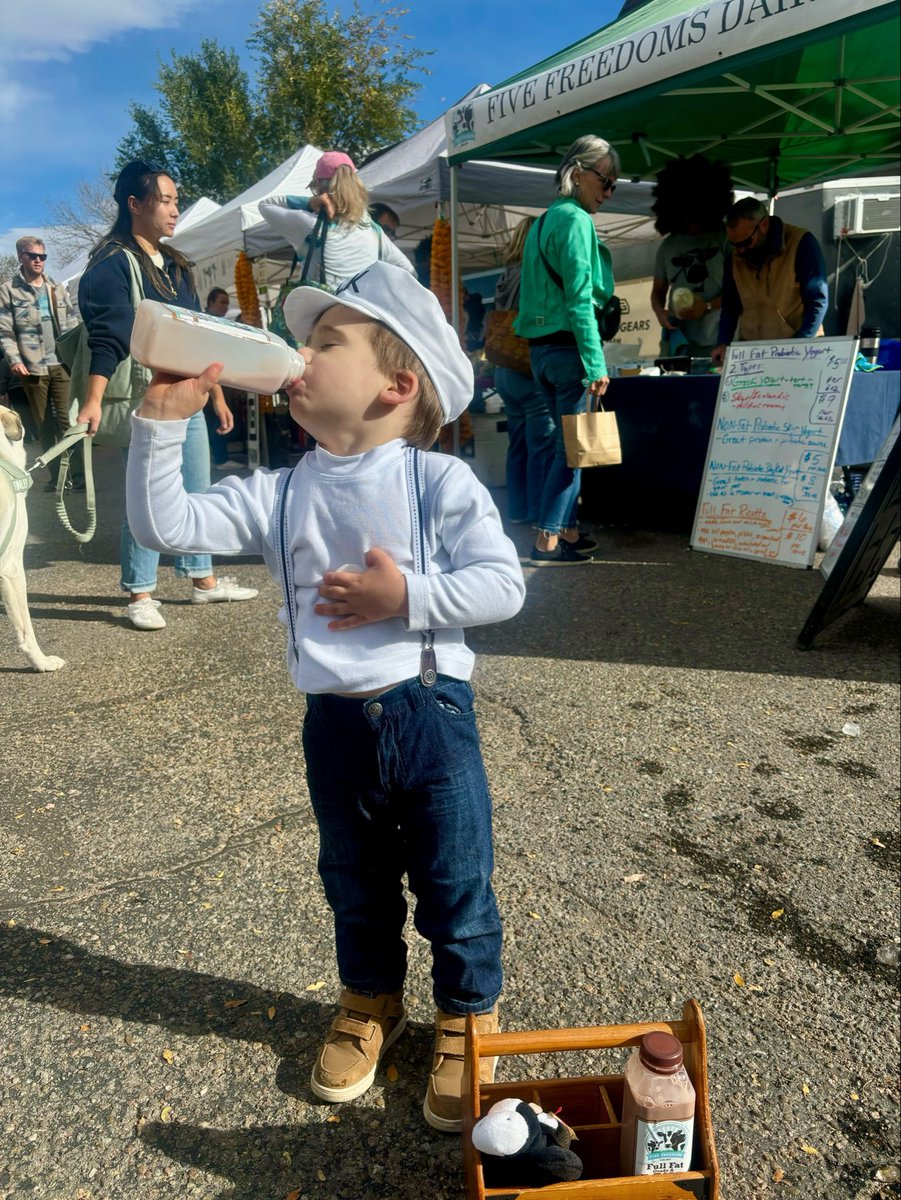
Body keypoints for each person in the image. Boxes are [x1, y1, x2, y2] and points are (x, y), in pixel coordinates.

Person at [124, 262, 526, 1132]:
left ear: (397, 384)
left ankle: (467, 1014)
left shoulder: (438, 483)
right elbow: (168, 527)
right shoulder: (282, 491)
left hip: (430, 713)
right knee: (353, 877)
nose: (300, 356)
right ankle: (369, 998)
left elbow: (503, 587)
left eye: (325, 343)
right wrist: (159, 424)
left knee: (457, 879)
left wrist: (407, 598)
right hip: (334, 724)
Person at [76, 160, 257, 630]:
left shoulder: (176, 264)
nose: (175, 210)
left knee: (197, 488)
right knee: (146, 492)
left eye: (177, 200)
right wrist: (92, 400)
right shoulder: (112, 262)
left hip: (189, 393)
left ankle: (202, 580)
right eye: (167, 200)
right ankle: (140, 592)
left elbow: (201, 335)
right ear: (134, 204)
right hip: (146, 398)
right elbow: (107, 335)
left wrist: (215, 397)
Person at [516, 135, 618, 565]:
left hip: (540, 353)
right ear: (578, 173)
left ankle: (567, 529)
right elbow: (578, 299)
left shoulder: (541, 223)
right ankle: (548, 538)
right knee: (572, 452)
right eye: (605, 179)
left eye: (614, 183)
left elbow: (532, 296)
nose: (609, 191)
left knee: (562, 447)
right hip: (568, 351)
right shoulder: (576, 221)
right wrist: (595, 363)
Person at [258, 152, 416, 287]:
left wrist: (309, 203)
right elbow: (409, 272)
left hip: (325, 316)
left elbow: (265, 205)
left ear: (321, 187)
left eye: (314, 186)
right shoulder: (374, 232)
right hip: (364, 314)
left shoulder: (310, 225)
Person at [0, 236, 83, 490]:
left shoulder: (56, 287)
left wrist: (77, 357)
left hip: (61, 365)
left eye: (42, 256)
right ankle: (58, 478)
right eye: (33, 256)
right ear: (21, 258)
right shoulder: (8, 290)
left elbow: (72, 323)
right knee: (44, 423)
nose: (38, 260)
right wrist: (14, 360)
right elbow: (5, 331)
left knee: (68, 422)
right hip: (32, 368)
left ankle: (79, 477)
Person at [711, 198, 828, 365]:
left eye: (745, 242)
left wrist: (801, 344)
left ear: (764, 224)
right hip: (753, 353)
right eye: (734, 244)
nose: (740, 250)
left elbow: (818, 301)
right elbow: (730, 306)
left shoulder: (801, 243)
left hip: (799, 349)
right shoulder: (734, 257)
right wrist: (723, 343)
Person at [491, 217, 554, 525]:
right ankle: (538, 512)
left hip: (505, 368)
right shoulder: (534, 272)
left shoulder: (507, 274)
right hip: (528, 367)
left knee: (518, 444)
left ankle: (515, 510)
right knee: (540, 445)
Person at [649, 156, 732, 358]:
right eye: (684, 213)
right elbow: (658, 291)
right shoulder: (668, 246)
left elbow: (740, 291)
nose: (689, 220)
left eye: (695, 213)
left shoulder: (725, 238)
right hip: (679, 344)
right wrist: (661, 313)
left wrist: (708, 306)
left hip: (719, 342)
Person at [202, 288, 245, 471]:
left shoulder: (218, 322)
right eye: (222, 302)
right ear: (211, 302)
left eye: (227, 303)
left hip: (216, 378)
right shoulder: (206, 321)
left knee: (215, 419)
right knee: (217, 419)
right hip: (211, 379)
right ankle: (220, 459)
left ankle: (219, 457)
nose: (226, 307)